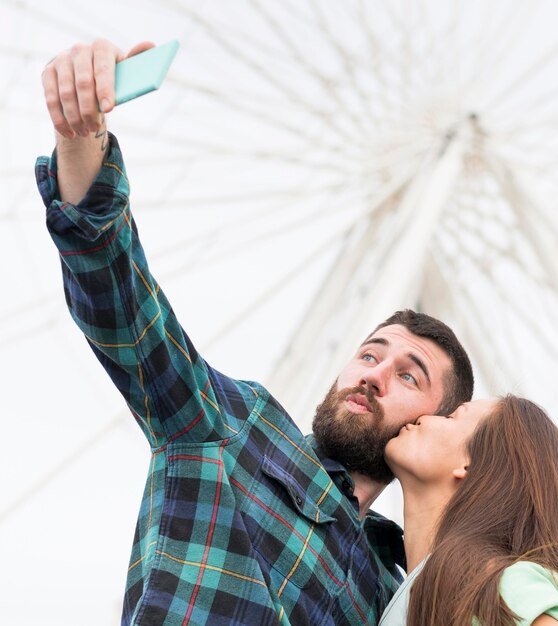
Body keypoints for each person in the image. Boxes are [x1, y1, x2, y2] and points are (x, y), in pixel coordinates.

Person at [37, 40, 474, 625]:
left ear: (435, 426)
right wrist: (79, 133)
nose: (373, 373)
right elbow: (125, 310)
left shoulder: (396, 596)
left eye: (408, 375)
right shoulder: (236, 427)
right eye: (370, 353)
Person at [380, 395, 558, 626]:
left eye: (451, 417)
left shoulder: (504, 585)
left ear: (469, 463)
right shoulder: (397, 593)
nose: (423, 418)